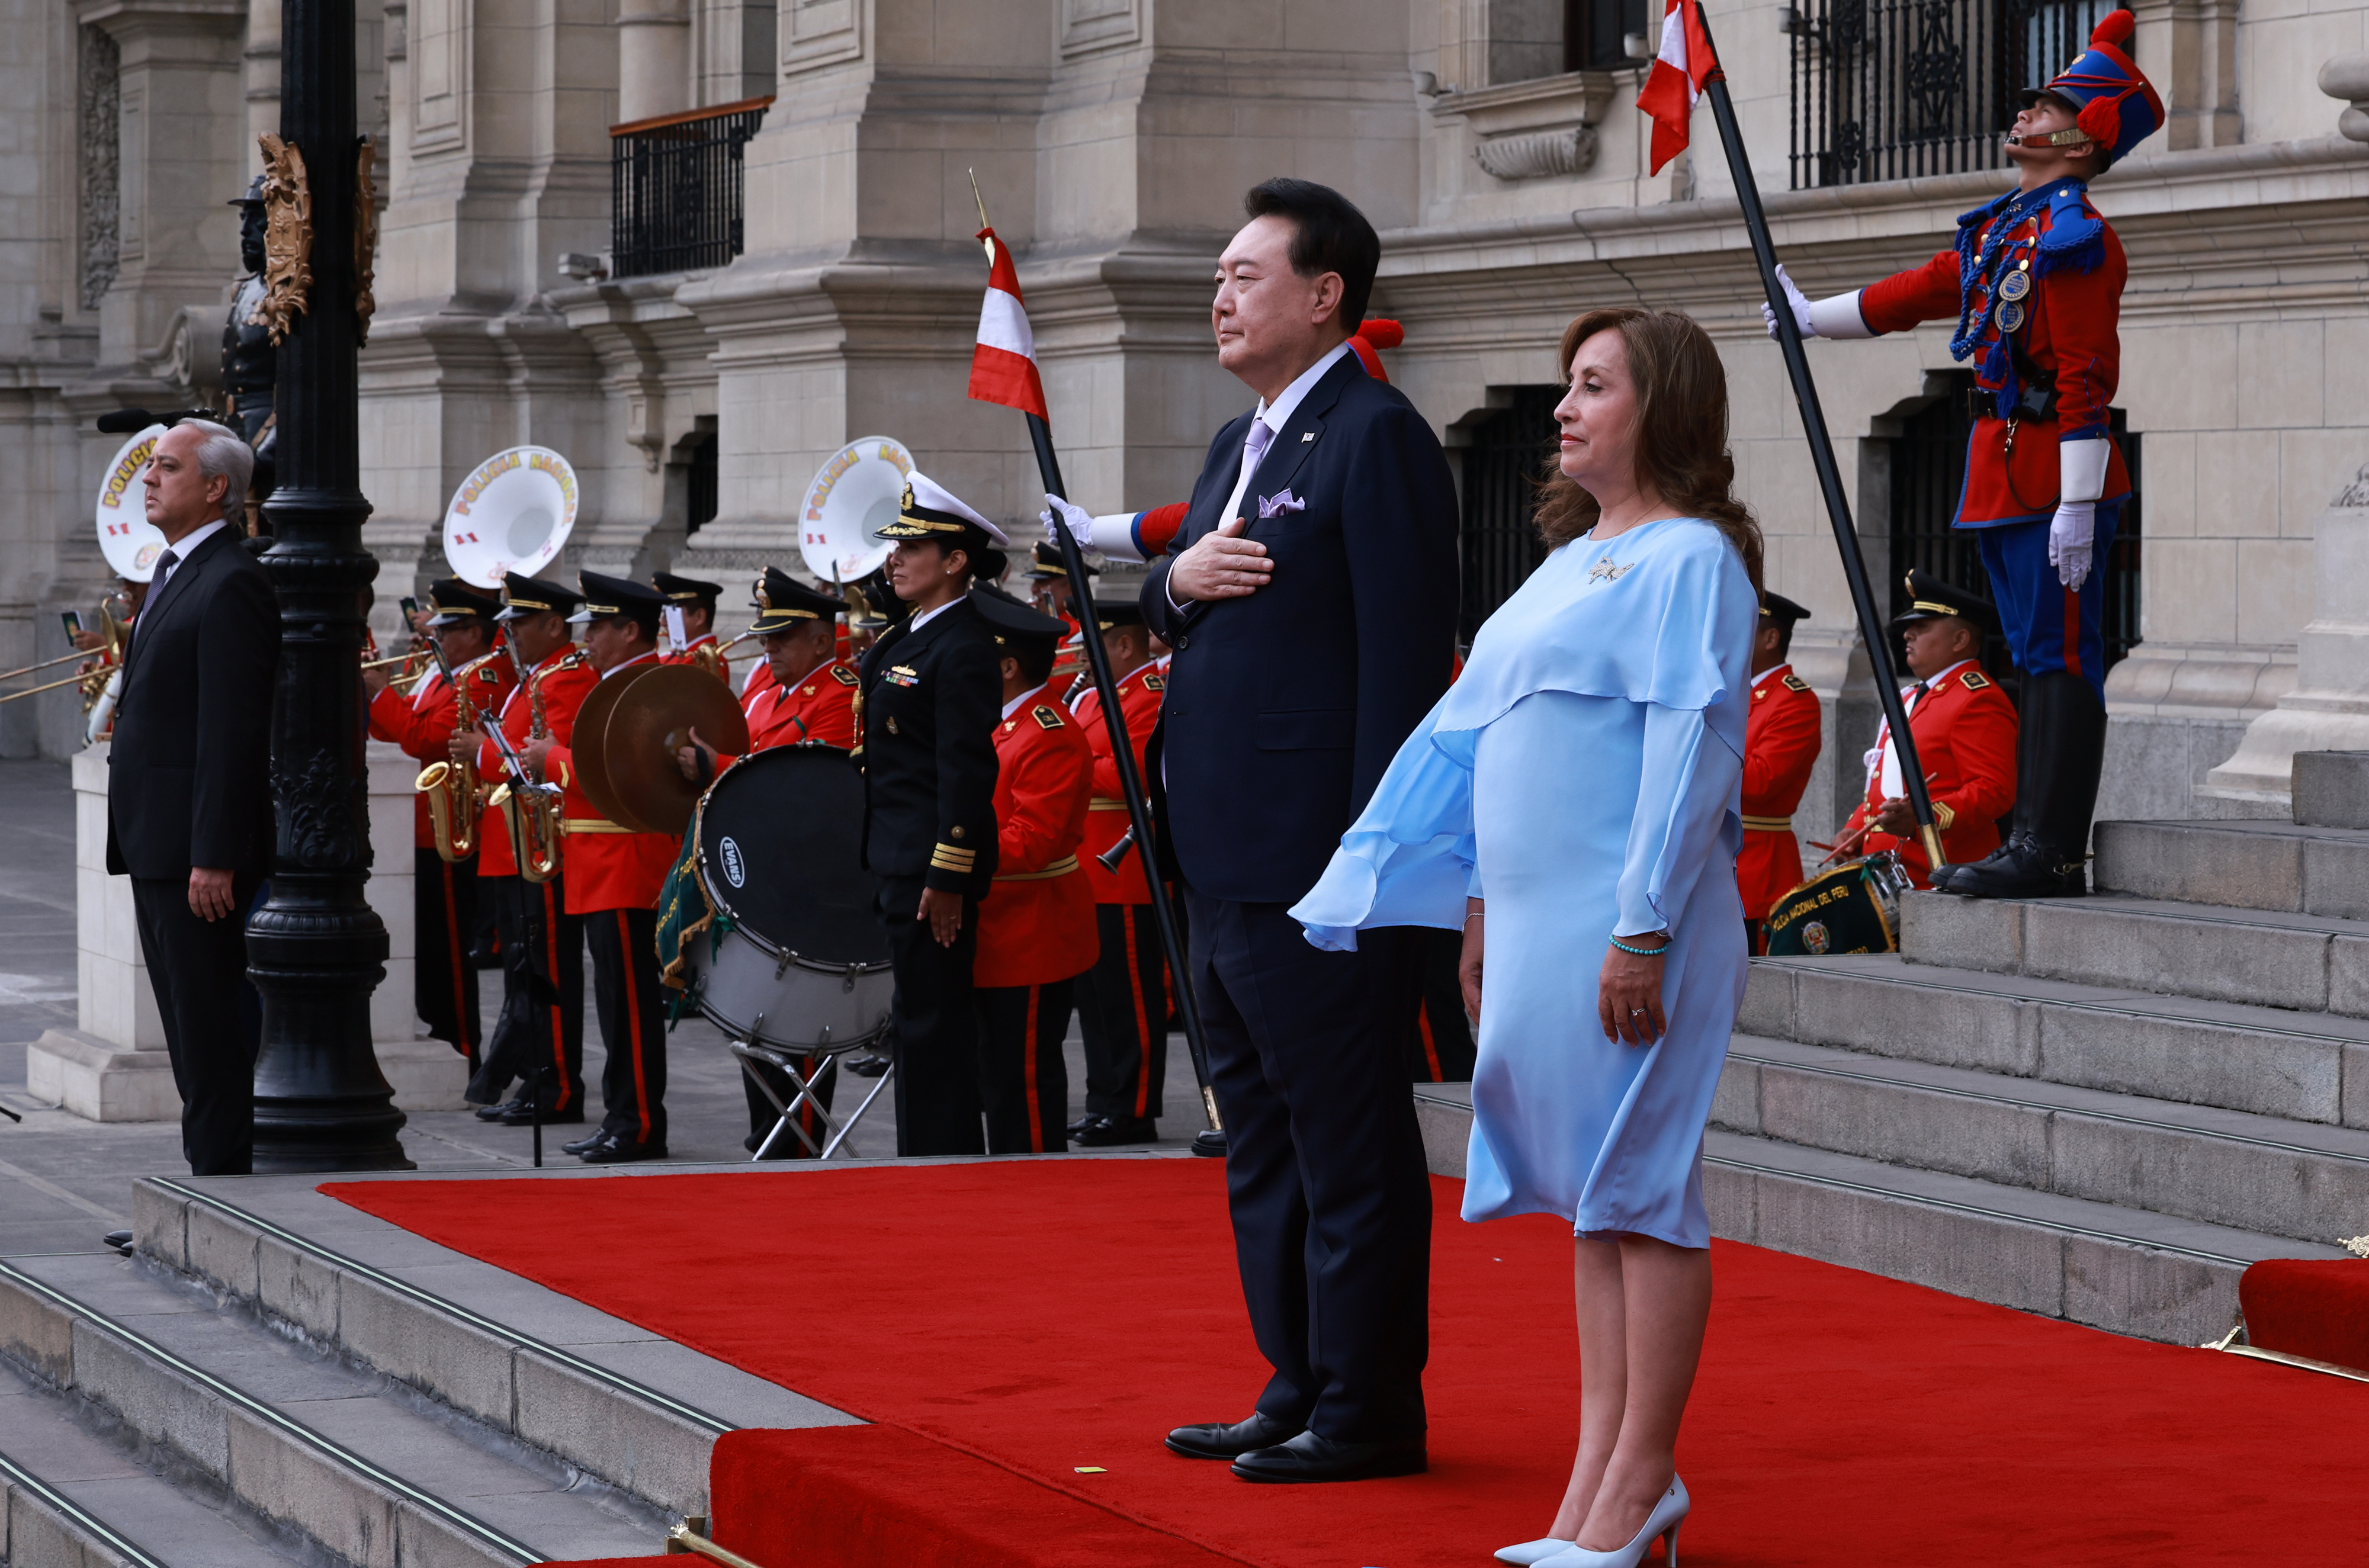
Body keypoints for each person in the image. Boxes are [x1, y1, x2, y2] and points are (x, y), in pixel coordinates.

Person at [1293, 306, 1753, 1566]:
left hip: (1630, 921)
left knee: (1642, 1189)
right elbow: (1477, 736)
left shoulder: (1690, 558)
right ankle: (1599, 1472)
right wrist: (1481, 906)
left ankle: (1639, 1478)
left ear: (1657, 407)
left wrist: (1643, 926)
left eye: (1592, 385)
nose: (1563, 406)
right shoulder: (1565, 559)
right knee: (1592, 1198)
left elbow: (1691, 746)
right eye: (1564, 383)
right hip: (1545, 924)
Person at [1109, 177, 1458, 1486]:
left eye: (1246, 273)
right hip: (1214, 858)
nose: (1220, 293)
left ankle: (1367, 1411)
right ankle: (1294, 1382)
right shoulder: (1234, 441)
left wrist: (1374, 864)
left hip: (1317, 867)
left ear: (1325, 297)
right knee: (1255, 1139)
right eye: (1219, 271)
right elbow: (1176, 592)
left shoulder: (1375, 437)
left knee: (1346, 1146)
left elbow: (1402, 670)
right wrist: (1166, 581)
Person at [1765, 10, 2158, 898]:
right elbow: (1922, 291)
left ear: (2084, 137)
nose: (2024, 111)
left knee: (2062, 657)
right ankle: (2028, 838)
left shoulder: (2073, 238)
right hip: (2003, 466)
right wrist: (1813, 317)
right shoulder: (2003, 230)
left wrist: (2076, 499)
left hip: (2054, 467)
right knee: (2031, 650)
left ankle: (2052, 849)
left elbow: (2089, 377)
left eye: (2048, 102)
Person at [104, 418, 280, 1176]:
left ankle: (219, 1182)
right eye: (151, 467)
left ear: (216, 488)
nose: (148, 478)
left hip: (194, 853)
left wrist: (215, 854)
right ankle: (205, 1177)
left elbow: (230, 732)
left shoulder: (233, 578)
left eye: (166, 467)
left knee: (208, 1025)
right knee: (184, 1022)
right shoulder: (175, 570)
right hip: (157, 839)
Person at [673, 567, 858, 1156]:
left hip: (808, 876)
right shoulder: (764, 693)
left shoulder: (840, 691)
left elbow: (808, 784)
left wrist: (713, 765)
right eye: (767, 635)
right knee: (754, 1014)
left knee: (798, 1017)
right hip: (754, 869)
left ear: (823, 641)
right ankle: (767, 1130)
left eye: (783, 636)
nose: (768, 646)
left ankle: (797, 1139)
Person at [856, 473, 1007, 1157]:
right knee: (913, 1017)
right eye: (895, 545)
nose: (895, 558)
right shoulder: (906, 635)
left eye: (912, 546)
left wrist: (948, 875)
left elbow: (966, 771)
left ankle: (938, 1158)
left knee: (931, 1020)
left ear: (955, 561)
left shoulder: (965, 645)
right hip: (893, 852)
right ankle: (921, 1152)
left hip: (928, 865)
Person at [525, 572, 681, 1163]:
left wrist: (550, 759)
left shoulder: (644, 685)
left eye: (598, 626)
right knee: (613, 1003)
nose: (587, 638)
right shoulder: (612, 683)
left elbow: (617, 773)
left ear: (630, 630)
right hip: (598, 861)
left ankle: (638, 1122)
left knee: (630, 1005)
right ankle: (624, 1115)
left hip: (625, 860)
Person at [365, 578, 515, 1066]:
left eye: (447, 630)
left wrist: (377, 693)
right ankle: (444, 1033)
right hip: (423, 828)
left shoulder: (483, 677)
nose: (437, 638)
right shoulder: (450, 673)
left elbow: (422, 735)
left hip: (451, 830)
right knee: (428, 949)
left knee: (448, 953)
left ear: (473, 632)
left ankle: (462, 1047)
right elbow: (405, 722)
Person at [464, 573, 595, 1125]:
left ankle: (559, 1085)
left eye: (521, 622)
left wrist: (479, 755)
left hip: (538, 846)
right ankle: (535, 1077)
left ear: (553, 625)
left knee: (545, 970)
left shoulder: (564, 679)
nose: (511, 632)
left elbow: (545, 763)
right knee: (522, 969)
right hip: (511, 843)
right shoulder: (532, 677)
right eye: (510, 622)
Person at [968, 590, 1096, 1153]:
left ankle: (1038, 1182)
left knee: (1024, 1077)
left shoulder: (1046, 732)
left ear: (1007, 667)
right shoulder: (1003, 723)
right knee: (997, 1074)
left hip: (1032, 930)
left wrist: (951, 853)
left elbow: (1032, 842)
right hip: (998, 922)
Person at [1061, 602, 1170, 1146]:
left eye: (1092, 643)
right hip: (1089, 866)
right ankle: (1103, 1099)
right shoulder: (1096, 698)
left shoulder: (1146, 697)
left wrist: (1067, 765)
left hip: (1124, 871)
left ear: (1123, 646)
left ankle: (1134, 1107)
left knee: (1130, 998)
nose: (1081, 654)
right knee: (1097, 999)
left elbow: (1133, 773)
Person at [1832, 572, 2020, 887]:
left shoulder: (1977, 698)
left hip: (1936, 873)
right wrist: (1855, 829)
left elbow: (1994, 790)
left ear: (1960, 640)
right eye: (1909, 627)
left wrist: (1924, 818)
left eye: (1922, 627)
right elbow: (1886, 780)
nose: (1908, 635)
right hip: (1889, 872)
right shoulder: (1910, 696)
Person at [1738, 590, 1821, 950]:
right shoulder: (1732, 692)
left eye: (1742, 628)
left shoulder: (1793, 700)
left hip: (1758, 863)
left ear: (1771, 638)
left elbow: (1759, 782)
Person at [652, 570, 731, 686]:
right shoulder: (674, 657)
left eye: (672, 615)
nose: (663, 622)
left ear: (700, 617)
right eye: (665, 614)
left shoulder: (705, 663)